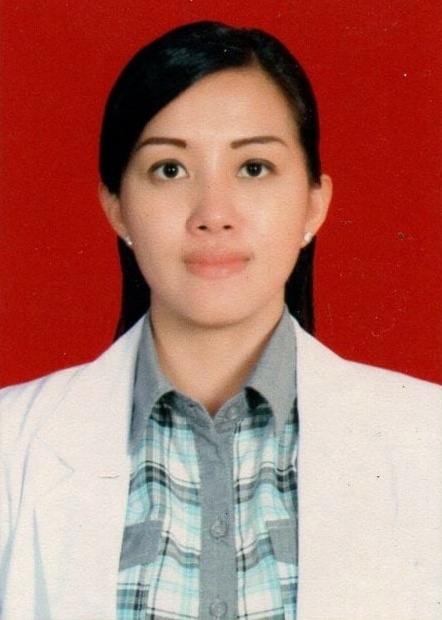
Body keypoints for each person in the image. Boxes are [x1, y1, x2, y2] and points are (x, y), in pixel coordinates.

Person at [0, 20, 440, 620]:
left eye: (254, 167)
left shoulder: (429, 442)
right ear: (117, 208)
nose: (213, 213)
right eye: (169, 169)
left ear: (314, 204)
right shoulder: (12, 446)